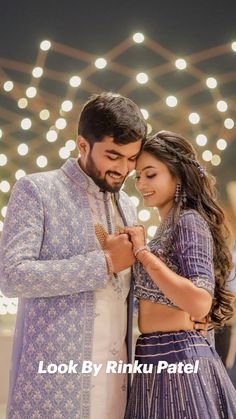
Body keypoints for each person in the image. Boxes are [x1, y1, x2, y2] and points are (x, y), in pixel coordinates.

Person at [0, 92, 147, 419]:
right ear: (83, 145)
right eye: (113, 155)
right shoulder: (38, 190)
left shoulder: (128, 206)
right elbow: (11, 276)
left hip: (117, 382)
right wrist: (104, 263)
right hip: (57, 385)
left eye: (131, 158)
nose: (123, 170)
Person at [124, 131, 236, 418]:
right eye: (137, 176)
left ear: (178, 176)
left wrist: (142, 253)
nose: (141, 184)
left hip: (179, 357)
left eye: (150, 175)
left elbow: (200, 301)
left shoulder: (188, 220)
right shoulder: (168, 225)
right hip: (155, 356)